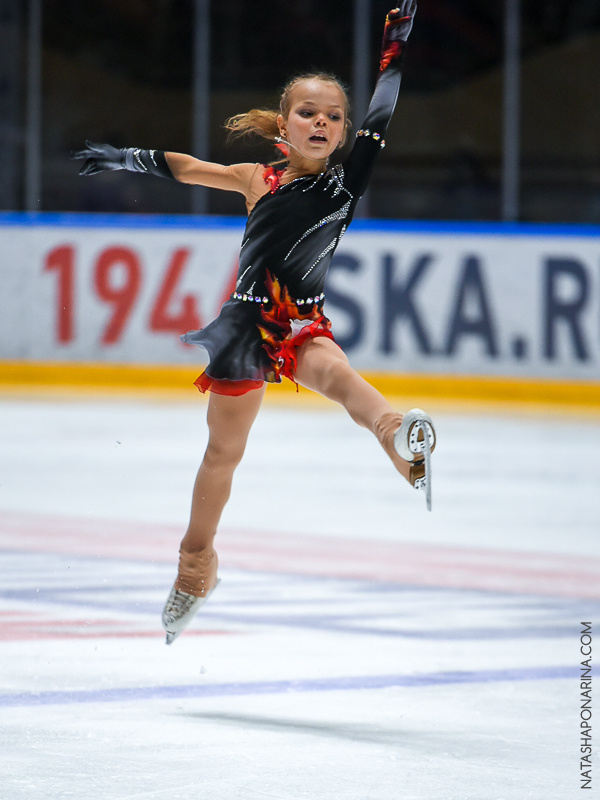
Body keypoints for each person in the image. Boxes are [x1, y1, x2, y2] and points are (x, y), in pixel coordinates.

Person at [73, 1, 435, 646]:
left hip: (300, 324)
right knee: (222, 454)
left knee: (344, 382)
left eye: (334, 117)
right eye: (308, 113)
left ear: (346, 132)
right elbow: (188, 167)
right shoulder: (256, 179)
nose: (321, 122)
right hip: (244, 329)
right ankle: (195, 565)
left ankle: (401, 438)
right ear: (283, 124)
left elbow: (384, 104)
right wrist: (127, 156)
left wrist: (395, 46)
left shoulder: (346, 184)